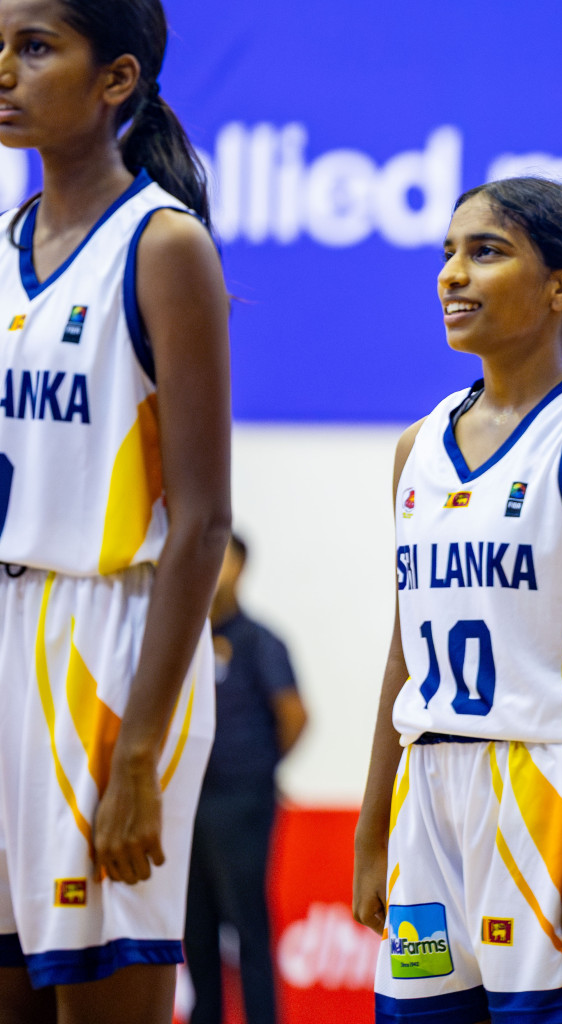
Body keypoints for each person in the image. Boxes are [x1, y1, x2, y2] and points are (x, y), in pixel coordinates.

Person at [351, 178, 562, 1024]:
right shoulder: (416, 446)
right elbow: (402, 652)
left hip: (553, 785)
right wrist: (374, 823)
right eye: (449, 253)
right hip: (430, 784)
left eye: (485, 252)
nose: (453, 275)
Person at [0, 0, 230, 1021]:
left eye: (34, 48)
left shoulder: (162, 246)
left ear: (117, 80)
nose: (4, 69)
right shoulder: (5, 240)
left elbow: (205, 520)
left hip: (108, 648)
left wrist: (137, 752)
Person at [184, 535, 307, 1024]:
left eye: (224, 560)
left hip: (241, 801)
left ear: (241, 567)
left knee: (247, 923)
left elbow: (295, 716)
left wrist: (257, 769)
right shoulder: (183, 640)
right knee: (196, 926)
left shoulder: (260, 641)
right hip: (188, 801)